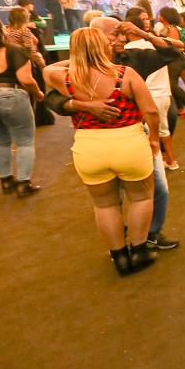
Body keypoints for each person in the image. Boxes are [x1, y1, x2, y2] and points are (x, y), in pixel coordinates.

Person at [43, 28, 159, 276]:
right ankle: (139, 251)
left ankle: (119, 257)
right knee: (141, 197)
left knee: (105, 205)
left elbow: (47, 68)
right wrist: (155, 139)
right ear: (102, 47)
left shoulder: (63, 78)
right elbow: (150, 110)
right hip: (128, 143)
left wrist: (78, 58)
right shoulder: (125, 74)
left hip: (89, 148)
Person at [126, 11, 180, 170]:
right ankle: (169, 160)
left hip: (149, 96)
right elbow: (178, 47)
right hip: (164, 94)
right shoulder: (156, 45)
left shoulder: (128, 51)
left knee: (150, 132)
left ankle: (161, 162)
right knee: (163, 129)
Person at [0, 21, 43, 197]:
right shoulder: (14, 51)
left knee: (0, 141)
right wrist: (38, 93)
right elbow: (26, 79)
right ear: (0, 31)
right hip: (12, 96)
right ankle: (24, 184)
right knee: (25, 141)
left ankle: (6, 181)